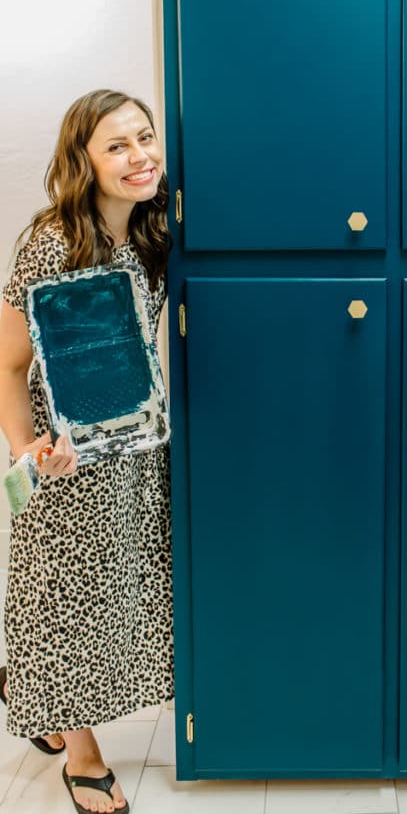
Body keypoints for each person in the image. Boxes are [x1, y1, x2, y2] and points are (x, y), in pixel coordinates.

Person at [0, 90, 174, 814]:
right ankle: (82, 755)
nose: (139, 157)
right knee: (64, 600)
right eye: (116, 146)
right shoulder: (52, 242)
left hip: (130, 445)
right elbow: (7, 363)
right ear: (84, 160)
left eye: (145, 137)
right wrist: (28, 453)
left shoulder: (153, 228)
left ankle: (25, 686)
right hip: (65, 454)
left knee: (118, 593)